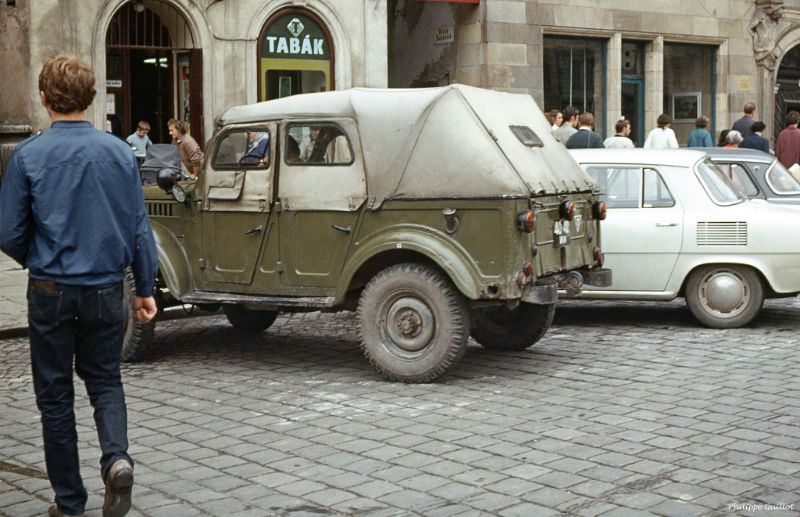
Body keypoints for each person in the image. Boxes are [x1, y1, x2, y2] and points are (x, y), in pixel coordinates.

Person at [0, 54, 157, 517]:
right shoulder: (119, 152)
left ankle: (69, 501)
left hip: (51, 288)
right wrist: (145, 288)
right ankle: (117, 459)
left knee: (54, 397)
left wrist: (41, 260)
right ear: (91, 97)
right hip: (107, 287)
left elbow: (9, 232)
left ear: (43, 97)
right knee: (105, 380)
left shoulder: (27, 155)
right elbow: (138, 226)